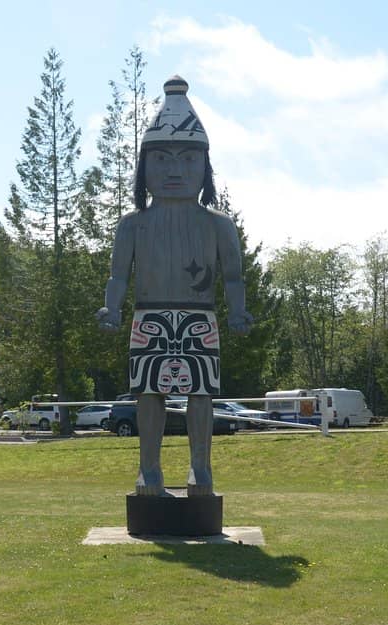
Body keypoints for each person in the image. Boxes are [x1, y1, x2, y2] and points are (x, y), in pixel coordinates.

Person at [96, 76, 254, 497]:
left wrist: (237, 310)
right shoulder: (133, 225)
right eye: (162, 159)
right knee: (150, 392)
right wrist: (111, 307)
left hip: (199, 315)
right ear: (145, 166)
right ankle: (149, 469)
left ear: (204, 167)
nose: (174, 170)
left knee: (201, 392)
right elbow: (118, 275)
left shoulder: (218, 225)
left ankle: (200, 469)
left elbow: (233, 275)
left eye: (187, 160)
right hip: (148, 314)